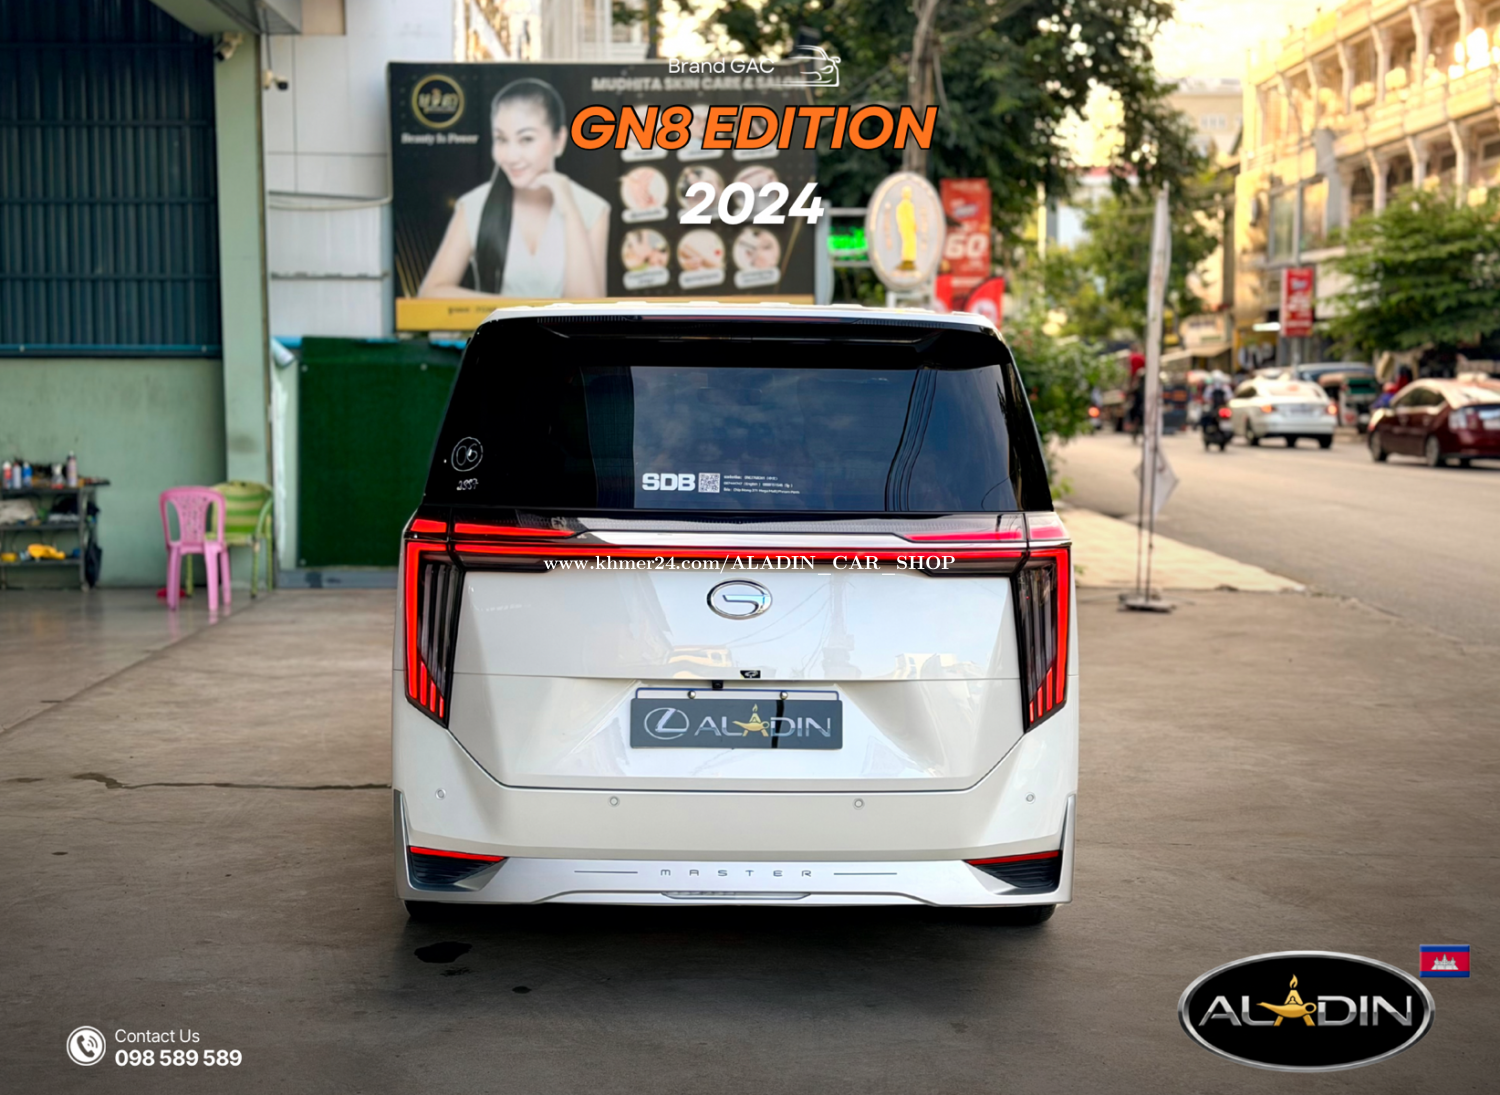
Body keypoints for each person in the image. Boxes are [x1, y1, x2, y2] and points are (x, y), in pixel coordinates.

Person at [418, 79, 609, 300]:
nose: (511, 156)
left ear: (559, 140)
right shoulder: (475, 204)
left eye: (526, 139)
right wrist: (517, 311)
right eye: (501, 139)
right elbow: (430, 293)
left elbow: (588, 307)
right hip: (496, 324)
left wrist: (570, 212)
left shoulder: (592, 208)